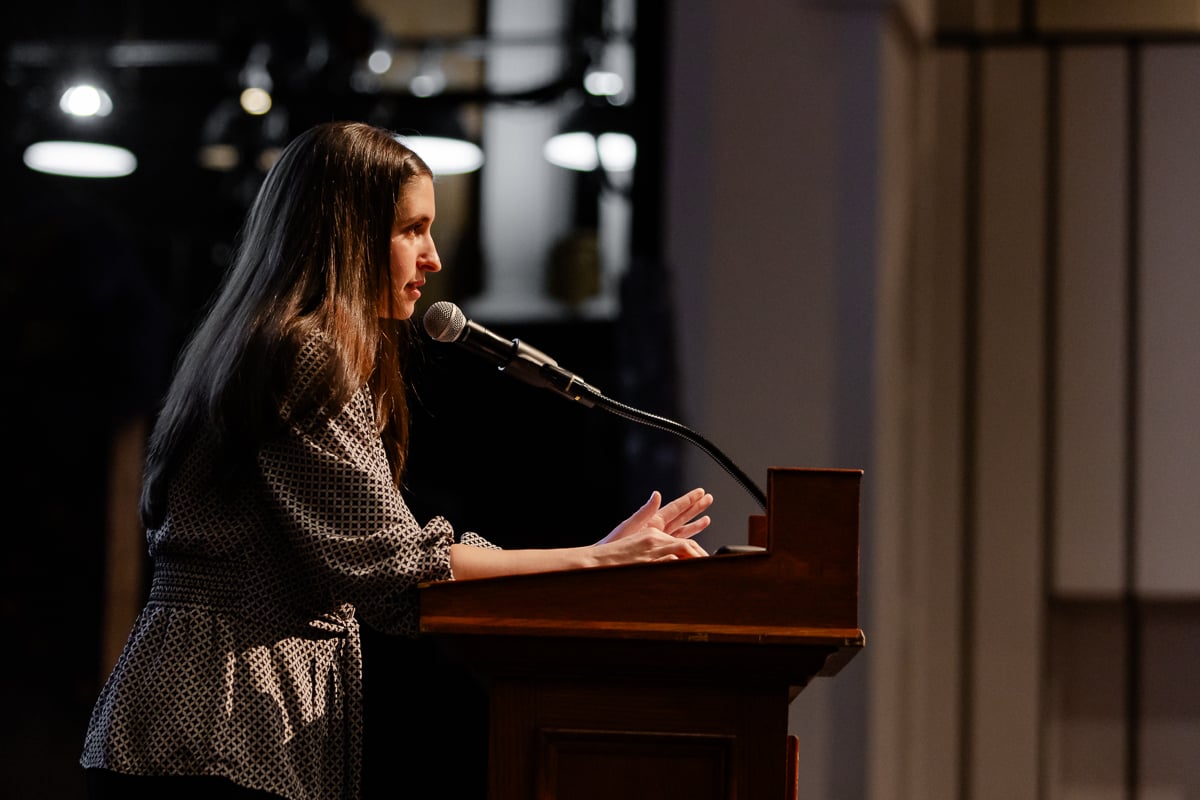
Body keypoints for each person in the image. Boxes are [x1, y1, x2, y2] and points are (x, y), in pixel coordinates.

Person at [79, 120, 714, 800]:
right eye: (412, 229)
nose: (433, 257)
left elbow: (387, 564)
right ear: (346, 234)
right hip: (218, 728)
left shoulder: (269, 342)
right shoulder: (305, 354)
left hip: (205, 721)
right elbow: (393, 567)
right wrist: (591, 560)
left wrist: (588, 560)